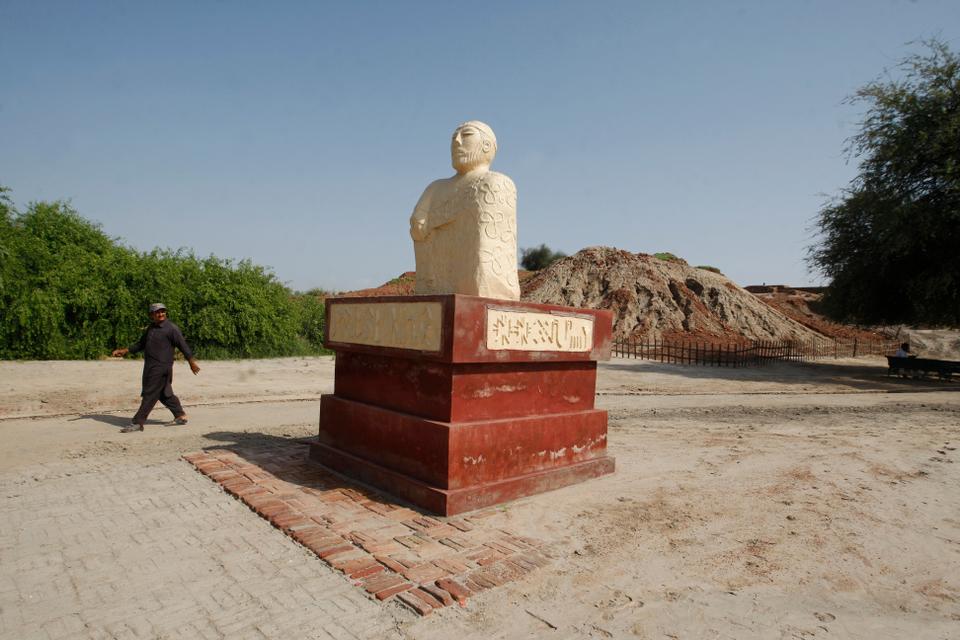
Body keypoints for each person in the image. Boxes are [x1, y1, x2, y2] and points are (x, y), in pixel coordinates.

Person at [409, 120, 520, 300]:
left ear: (487, 145)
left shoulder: (495, 182)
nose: (457, 142)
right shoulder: (435, 188)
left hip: (480, 290)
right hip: (436, 282)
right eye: (454, 138)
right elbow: (417, 228)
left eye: (466, 135)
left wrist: (433, 221)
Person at [111, 303, 200, 432]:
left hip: (162, 367)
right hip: (151, 366)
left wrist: (191, 362)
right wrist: (125, 350)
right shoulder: (151, 328)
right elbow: (141, 344)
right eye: (157, 312)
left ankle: (138, 422)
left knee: (150, 393)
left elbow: (183, 345)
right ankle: (180, 415)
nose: (161, 314)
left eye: (163, 311)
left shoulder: (171, 329)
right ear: (151, 315)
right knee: (164, 394)